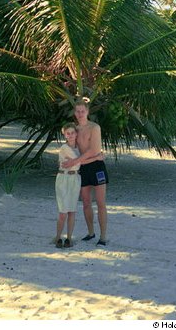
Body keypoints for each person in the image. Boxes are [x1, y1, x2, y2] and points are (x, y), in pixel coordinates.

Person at [62, 100, 109, 246]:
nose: (80, 114)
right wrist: (73, 161)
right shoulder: (74, 130)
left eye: (83, 111)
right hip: (83, 168)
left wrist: (77, 161)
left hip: (97, 167)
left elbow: (94, 150)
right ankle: (91, 232)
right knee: (86, 203)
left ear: (88, 112)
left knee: (101, 203)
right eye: (77, 111)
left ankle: (103, 236)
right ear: (74, 113)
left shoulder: (95, 127)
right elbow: (70, 147)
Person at [55, 123, 102, 249]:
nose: (70, 135)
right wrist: (97, 157)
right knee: (63, 212)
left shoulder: (79, 149)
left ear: (76, 134)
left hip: (75, 178)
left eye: (72, 133)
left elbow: (80, 160)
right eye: (67, 133)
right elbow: (80, 160)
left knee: (72, 211)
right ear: (64, 135)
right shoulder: (65, 148)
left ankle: (69, 238)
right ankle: (58, 237)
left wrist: (95, 156)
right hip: (63, 179)